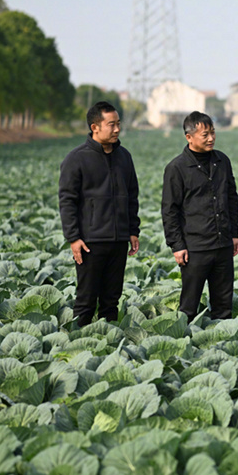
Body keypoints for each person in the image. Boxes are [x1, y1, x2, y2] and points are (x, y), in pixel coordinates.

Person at [58, 101, 140, 327]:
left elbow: (132, 196)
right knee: (86, 300)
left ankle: (109, 345)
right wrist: (73, 238)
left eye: (118, 124)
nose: (116, 129)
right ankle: (77, 343)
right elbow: (67, 201)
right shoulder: (77, 158)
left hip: (118, 240)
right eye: (111, 124)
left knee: (111, 301)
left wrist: (133, 230)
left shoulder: (124, 156)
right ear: (95, 127)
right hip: (90, 242)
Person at [161, 111, 238, 320]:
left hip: (222, 243)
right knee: (189, 304)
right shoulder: (176, 168)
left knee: (223, 304)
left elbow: (231, 198)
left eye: (213, 133)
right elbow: (170, 210)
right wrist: (177, 245)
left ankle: (222, 341)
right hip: (195, 247)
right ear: (189, 137)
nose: (211, 138)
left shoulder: (222, 161)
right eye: (205, 135)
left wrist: (234, 234)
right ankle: (185, 343)